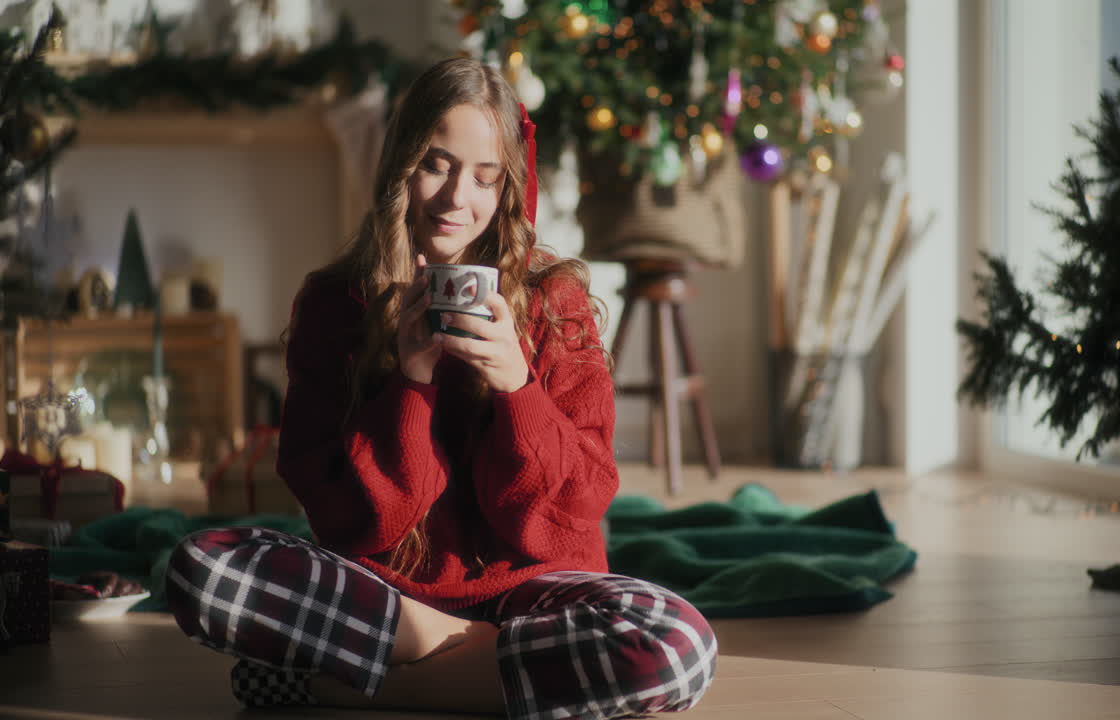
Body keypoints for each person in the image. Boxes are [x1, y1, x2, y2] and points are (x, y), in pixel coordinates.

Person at [165, 57, 717, 718]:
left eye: (486, 176)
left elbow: (574, 511)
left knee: (675, 644)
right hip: (392, 601)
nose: (460, 199)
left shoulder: (553, 298)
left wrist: (517, 388)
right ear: (401, 165)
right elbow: (347, 520)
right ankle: (482, 660)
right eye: (437, 164)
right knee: (201, 571)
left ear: (508, 184)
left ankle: (349, 685)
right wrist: (411, 381)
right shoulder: (334, 303)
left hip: (533, 587)